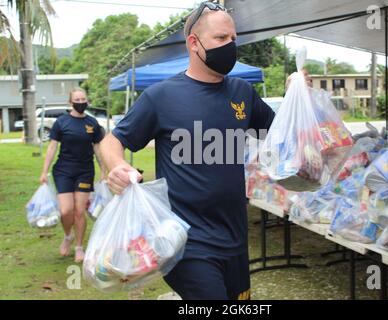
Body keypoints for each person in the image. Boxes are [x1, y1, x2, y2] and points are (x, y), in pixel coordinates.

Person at [99, 1, 275, 300]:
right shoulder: (161, 96)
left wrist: (301, 93)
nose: (230, 46)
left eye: (233, 39)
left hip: (235, 238)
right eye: (221, 39)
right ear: (194, 43)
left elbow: (283, 133)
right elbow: (111, 141)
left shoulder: (243, 93)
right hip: (184, 241)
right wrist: (116, 165)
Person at [40, 87, 106, 263]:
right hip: (63, 171)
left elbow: (98, 148)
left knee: (79, 211)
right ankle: (68, 235)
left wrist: (103, 170)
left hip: (84, 171)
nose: (80, 103)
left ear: (87, 100)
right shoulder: (61, 122)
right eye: (76, 100)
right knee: (65, 210)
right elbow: (52, 147)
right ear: (70, 102)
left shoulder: (92, 123)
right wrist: (44, 171)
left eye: (83, 99)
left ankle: (78, 247)